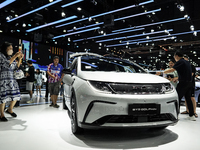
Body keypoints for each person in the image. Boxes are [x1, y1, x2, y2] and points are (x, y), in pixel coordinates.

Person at [164, 50, 196, 121]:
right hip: (189, 83)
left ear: (176, 56)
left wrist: (162, 72)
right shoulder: (187, 62)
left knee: (177, 98)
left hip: (183, 83)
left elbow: (172, 70)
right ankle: (192, 115)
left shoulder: (180, 61)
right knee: (188, 99)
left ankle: (176, 115)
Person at [0, 42, 23, 121]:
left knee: (15, 96)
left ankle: (10, 109)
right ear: (4, 49)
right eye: (9, 48)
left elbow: (16, 67)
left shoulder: (11, 57)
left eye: (11, 49)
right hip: (3, 79)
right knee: (3, 98)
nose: (11, 50)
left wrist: (19, 59)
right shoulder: (1, 56)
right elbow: (6, 63)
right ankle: (2, 114)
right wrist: (15, 56)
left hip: (12, 79)